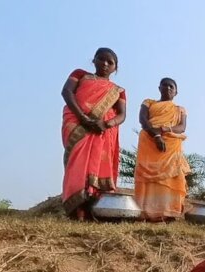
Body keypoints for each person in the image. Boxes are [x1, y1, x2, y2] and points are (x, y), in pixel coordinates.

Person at [60, 48, 127, 220]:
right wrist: (83, 118)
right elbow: (67, 92)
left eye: (110, 62)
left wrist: (106, 124)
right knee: (77, 162)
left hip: (102, 132)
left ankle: (92, 208)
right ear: (94, 60)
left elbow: (122, 115)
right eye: (101, 59)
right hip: (76, 123)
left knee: (96, 165)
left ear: (115, 68)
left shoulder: (118, 90)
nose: (105, 64)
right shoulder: (80, 75)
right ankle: (76, 208)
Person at [134, 78, 190, 221]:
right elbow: (143, 120)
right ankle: (145, 212)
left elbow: (182, 127)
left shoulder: (180, 109)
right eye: (164, 85)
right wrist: (157, 135)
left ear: (176, 92)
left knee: (171, 176)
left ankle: (168, 212)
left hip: (171, 143)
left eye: (171, 86)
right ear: (159, 88)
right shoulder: (148, 102)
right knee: (146, 176)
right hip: (149, 139)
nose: (168, 88)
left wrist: (165, 129)